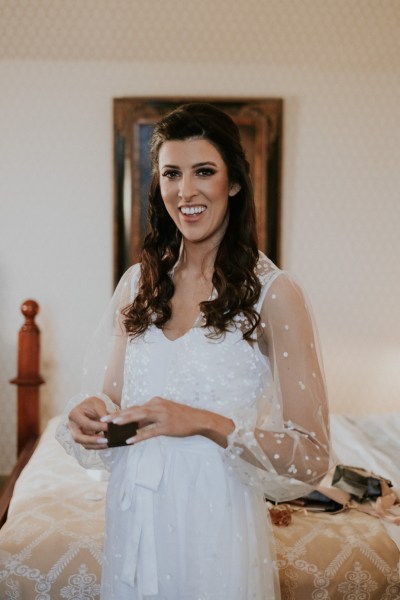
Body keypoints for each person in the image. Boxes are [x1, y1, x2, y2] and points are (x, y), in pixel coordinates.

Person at [56, 103, 331, 600]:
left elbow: (312, 458)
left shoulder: (274, 294)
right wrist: (91, 417)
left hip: (216, 525)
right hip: (134, 520)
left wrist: (204, 421)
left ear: (234, 183)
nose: (186, 191)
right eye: (171, 174)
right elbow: (114, 405)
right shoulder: (138, 285)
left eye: (204, 171)